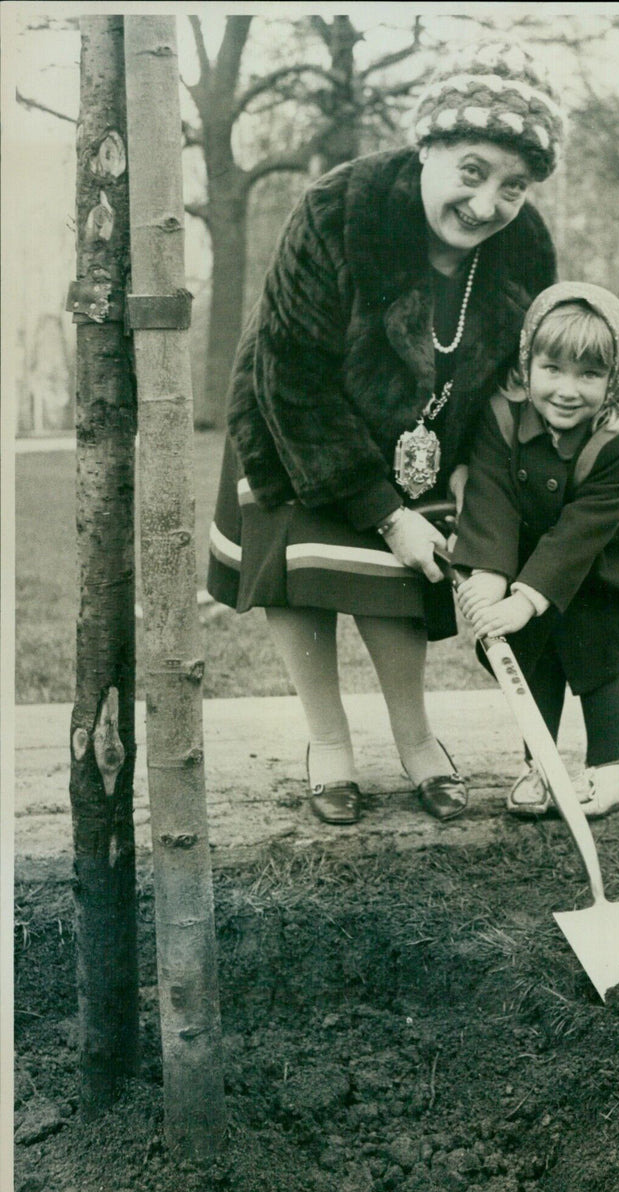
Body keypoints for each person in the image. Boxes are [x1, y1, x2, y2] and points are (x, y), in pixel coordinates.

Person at [207, 42, 565, 825]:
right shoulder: (341, 209)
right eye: (472, 170)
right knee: (304, 560)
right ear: (427, 147)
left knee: (399, 583)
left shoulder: (527, 246)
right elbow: (293, 376)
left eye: (513, 185)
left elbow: (514, 379)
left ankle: (416, 740)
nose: (487, 202)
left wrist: (474, 475)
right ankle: (327, 744)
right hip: (294, 420)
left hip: (423, 435)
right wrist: (384, 509)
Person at [452, 282, 619, 820]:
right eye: (554, 370)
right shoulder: (501, 418)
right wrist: (489, 575)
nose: (569, 390)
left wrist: (524, 598)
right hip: (522, 561)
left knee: (596, 662)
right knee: (532, 661)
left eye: (589, 375)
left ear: (612, 380)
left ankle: (607, 771)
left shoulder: (612, 444)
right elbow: (491, 496)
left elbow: (579, 533)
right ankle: (540, 769)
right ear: (528, 367)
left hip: (601, 569)